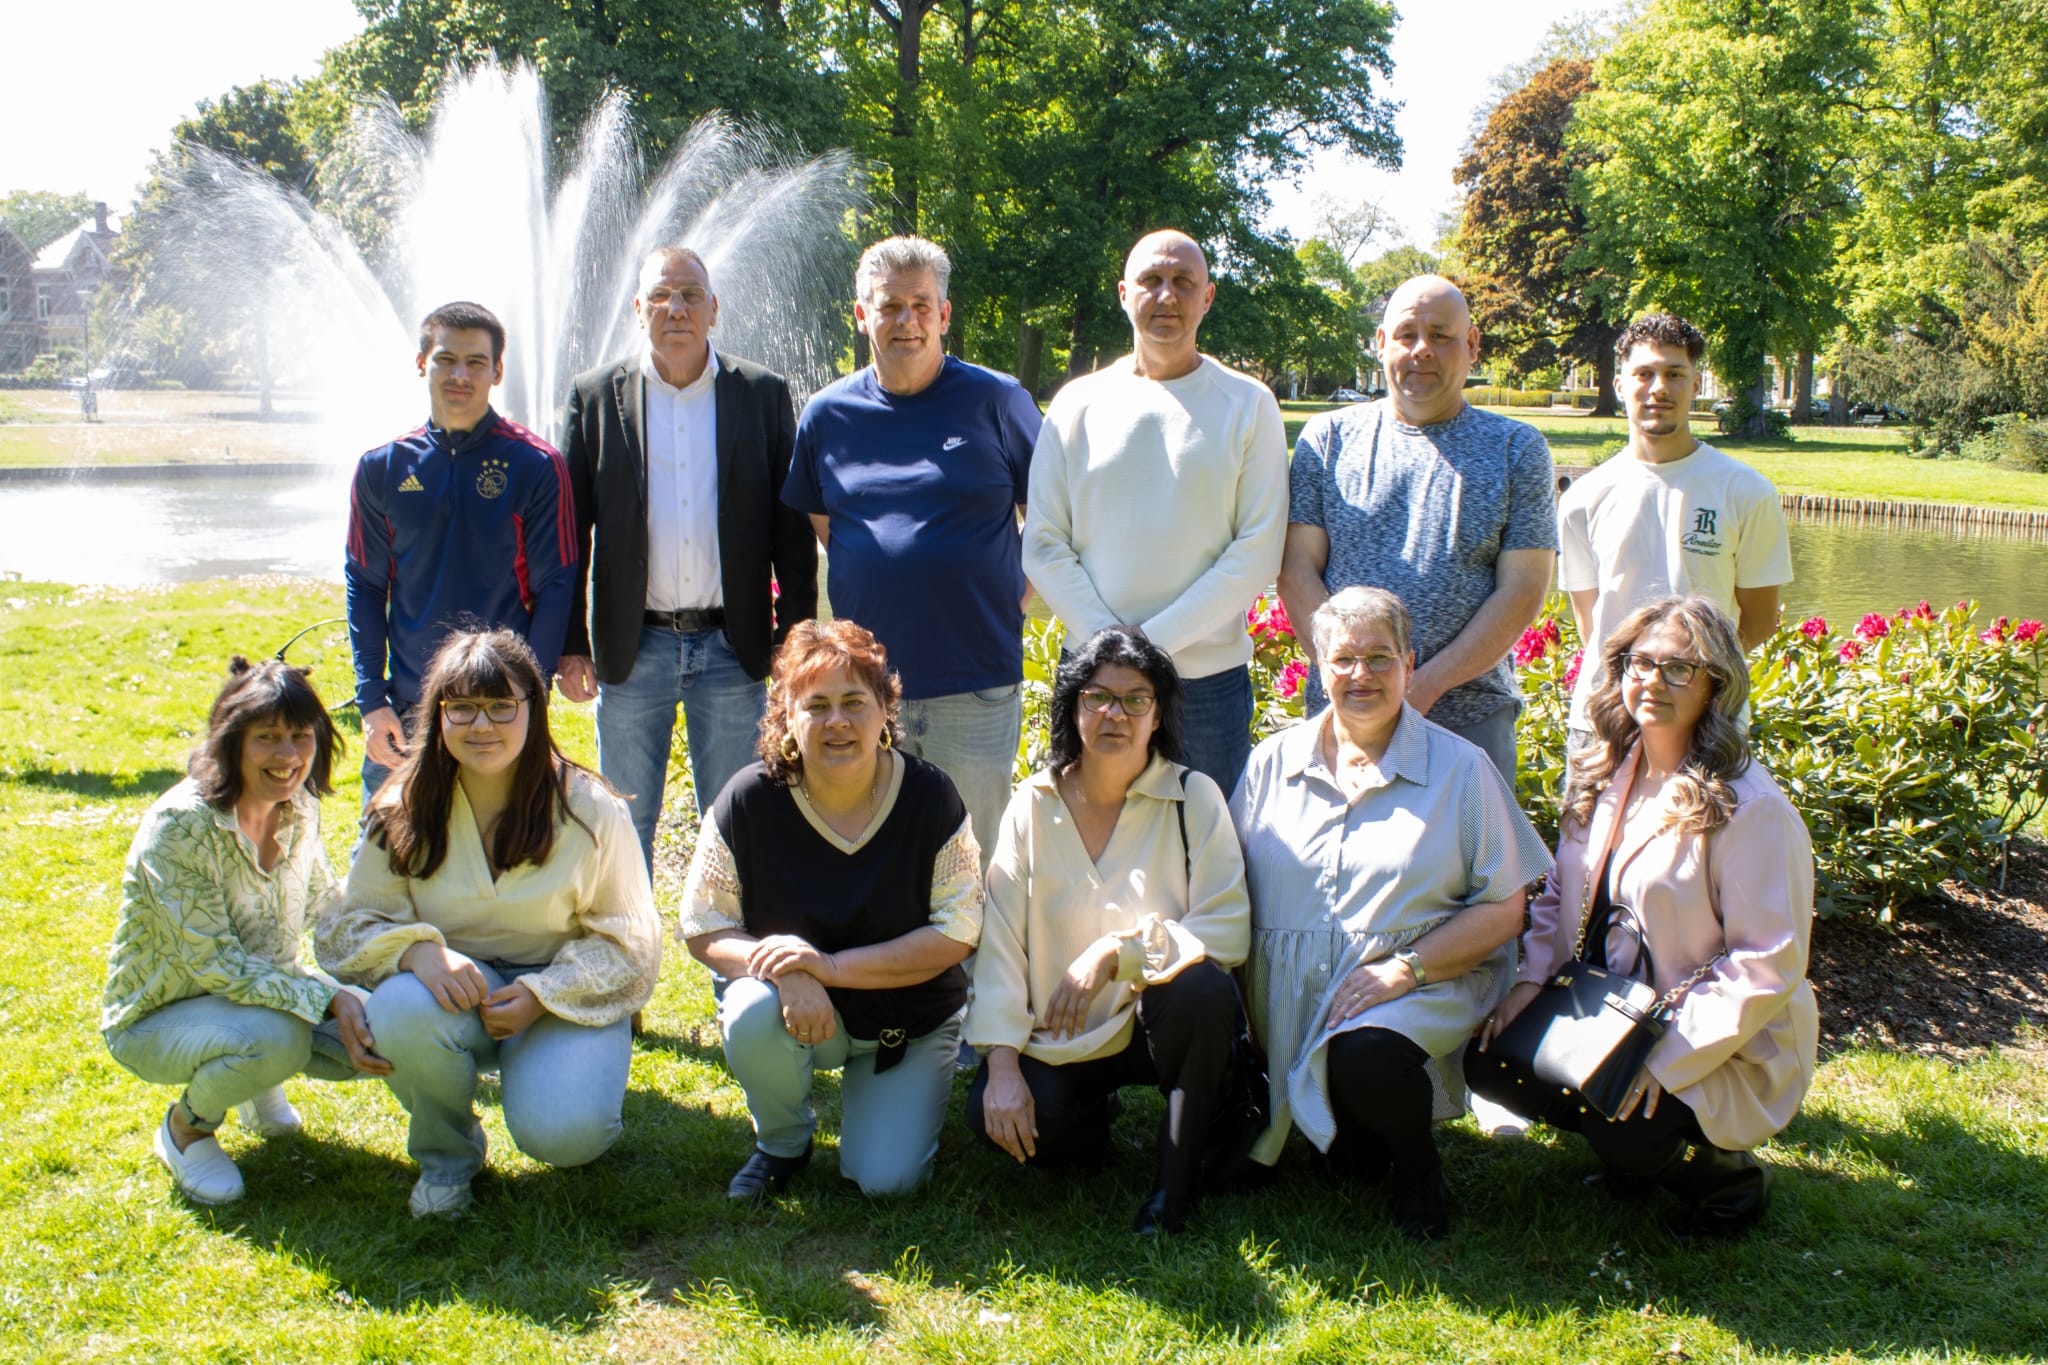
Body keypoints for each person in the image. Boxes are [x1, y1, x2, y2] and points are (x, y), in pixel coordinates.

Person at [1467, 596, 1816, 1238]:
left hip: (1706, 1032)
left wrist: (1667, 1059)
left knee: (1625, 1118)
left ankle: (1726, 1178)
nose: (1652, 681)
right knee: (1493, 1060)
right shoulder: (1606, 775)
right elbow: (1554, 899)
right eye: (1639, 662)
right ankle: (1630, 1145)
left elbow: (1767, 960)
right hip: (1614, 1009)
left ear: (1717, 683)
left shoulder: (1749, 807)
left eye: (1679, 668)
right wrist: (1524, 986)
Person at [1231, 587, 1552, 1240]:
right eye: (1343, 658)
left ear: (1410, 662)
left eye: (1380, 657)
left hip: (1420, 981)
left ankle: (1417, 1167)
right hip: (1291, 998)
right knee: (1344, 1163)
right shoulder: (1271, 762)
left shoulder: (1461, 769)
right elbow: (1229, 885)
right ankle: (1346, 1133)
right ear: (1319, 666)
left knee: (1367, 1053)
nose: (1361, 674)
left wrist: (1404, 970)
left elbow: (1505, 908)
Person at [317, 630, 661, 1217]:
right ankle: (447, 1156)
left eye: (502, 706)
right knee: (399, 1006)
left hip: (561, 992)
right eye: (463, 708)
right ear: (438, 713)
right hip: (451, 991)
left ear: (534, 709)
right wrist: (416, 954)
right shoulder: (403, 806)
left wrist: (540, 995)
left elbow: (633, 944)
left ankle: (560, 1080)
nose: (482, 725)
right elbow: (344, 928)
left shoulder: (589, 808)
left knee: (566, 1138)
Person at [679, 619, 983, 1199]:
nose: (836, 721)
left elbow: (957, 933)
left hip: (907, 1024)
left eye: (853, 702)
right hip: (795, 1010)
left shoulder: (930, 797)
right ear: (786, 716)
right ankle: (783, 1142)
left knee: (887, 1182)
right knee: (749, 1008)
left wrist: (830, 968)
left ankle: (879, 1112)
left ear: (884, 709)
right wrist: (790, 972)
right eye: (815, 705)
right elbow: (703, 925)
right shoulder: (747, 799)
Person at [965, 627, 1250, 1235]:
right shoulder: (1032, 805)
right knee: (1008, 1129)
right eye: (1097, 696)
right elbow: (1001, 946)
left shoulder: (1193, 798)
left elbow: (1227, 927)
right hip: (1063, 1034)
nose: (1114, 714)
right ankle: (1088, 1117)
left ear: (1159, 715)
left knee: (1198, 989)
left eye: (1135, 699)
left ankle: (1175, 1184)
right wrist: (1003, 1067)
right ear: (1073, 707)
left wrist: (1117, 953)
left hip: (1159, 1026)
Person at [780, 235, 1039, 867]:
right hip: (864, 686)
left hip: (973, 680)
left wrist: (1014, 594)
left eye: (922, 305)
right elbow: (827, 524)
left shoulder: (997, 401)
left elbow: (1054, 517)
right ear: (862, 314)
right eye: (890, 306)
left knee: (973, 855)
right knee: (877, 852)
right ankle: (891, 968)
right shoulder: (827, 415)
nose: (907, 321)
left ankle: (978, 972)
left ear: (945, 315)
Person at [556, 247, 818, 868]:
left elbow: (791, 532)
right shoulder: (594, 397)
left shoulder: (761, 394)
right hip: (632, 647)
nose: (676, 308)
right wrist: (572, 642)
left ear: (714, 309)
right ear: (638, 308)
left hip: (735, 649)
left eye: (691, 295)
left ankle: (734, 966)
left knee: (736, 824)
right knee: (622, 825)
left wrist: (795, 640)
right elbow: (571, 535)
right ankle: (625, 956)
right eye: (662, 296)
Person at [102, 657, 387, 1205]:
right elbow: (218, 967)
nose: (288, 756)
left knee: (392, 1024)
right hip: (156, 1019)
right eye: (267, 738)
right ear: (230, 742)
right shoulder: (180, 825)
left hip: (258, 998)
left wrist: (406, 954)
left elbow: (327, 910)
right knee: (278, 1038)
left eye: (301, 736)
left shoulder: (299, 805)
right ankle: (186, 1130)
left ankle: (258, 1078)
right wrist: (331, 1000)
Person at [1024, 229, 1288, 798]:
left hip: (1205, 690)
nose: (1166, 295)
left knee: (1205, 863)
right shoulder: (1076, 404)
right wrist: (1113, 654)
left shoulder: (1248, 404)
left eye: (1183, 282)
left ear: (1208, 297)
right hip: (1092, 682)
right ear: (1124, 293)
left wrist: (1148, 648)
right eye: (1151, 281)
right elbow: (1043, 542)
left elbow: (1258, 550)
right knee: (1086, 854)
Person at [1277, 274, 1556, 784]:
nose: (1421, 350)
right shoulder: (1328, 439)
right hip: (1345, 714)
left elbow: (1523, 589)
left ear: (1472, 346)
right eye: (1406, 335)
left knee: (1475, 865)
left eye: (1441, 336)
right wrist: (1361, 680)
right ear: (1381, 344)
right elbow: (1297, 570)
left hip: (1470, 719)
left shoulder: (1518, 449)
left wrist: (1422, 685)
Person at [346, 301, 577, 801]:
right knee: (391, 866)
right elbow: (364, 585)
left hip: (498, 709)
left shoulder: (536, 465)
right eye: (446, 359)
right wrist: (371, 700)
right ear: (421, 362)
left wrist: (527, 700)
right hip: (409, 708)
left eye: (476, 362)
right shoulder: (380, 468)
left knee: (506, 863)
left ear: (497, 371)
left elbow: (556, 586)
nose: (460, 375)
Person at [1556, 314, 1792, 754]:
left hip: (1710, 724)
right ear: (1620, 385)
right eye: (1644, 373)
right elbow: (1593, 627)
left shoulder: (1746, 492)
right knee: (1593, 828)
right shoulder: (1582, 499)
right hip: (1603, 724)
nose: (1658, 388)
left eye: (1674, 374)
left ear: (1696, 383)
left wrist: (1687, 680)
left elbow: (1758, 622)